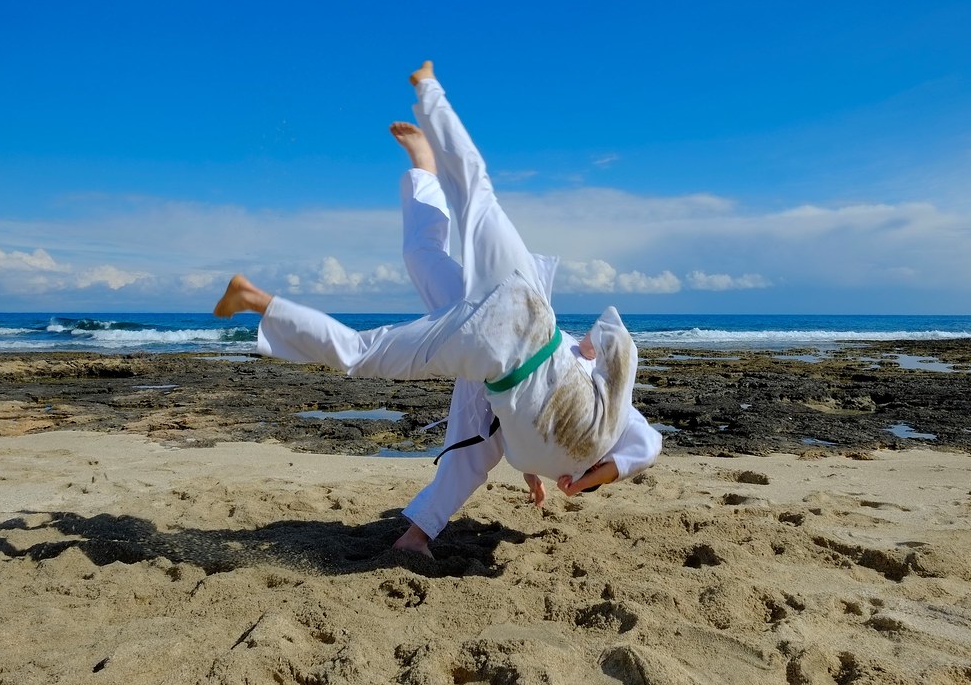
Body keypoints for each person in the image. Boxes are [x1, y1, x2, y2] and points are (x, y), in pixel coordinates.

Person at [214, 61, 662, 557]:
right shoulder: (581, 437)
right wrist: (568, 476)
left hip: (521, 311)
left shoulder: (587, 429)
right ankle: (259, 301)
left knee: (468, 197)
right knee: (364, 349)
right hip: (492, 341)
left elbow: (616, 386)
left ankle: (428, 98)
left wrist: (589, 353)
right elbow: (631, 441)